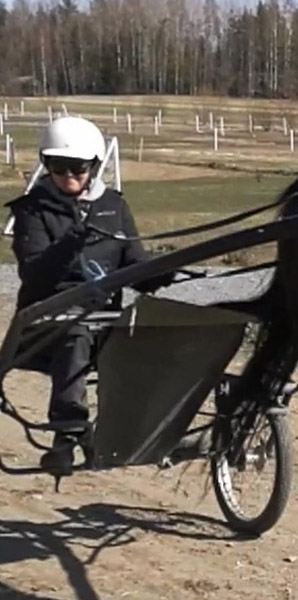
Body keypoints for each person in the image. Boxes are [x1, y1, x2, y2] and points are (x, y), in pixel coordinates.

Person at [5, 116, 174, 475]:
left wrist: (160, 273)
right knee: (76, 331)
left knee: (159, 331)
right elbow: (34, 277)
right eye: (58, 167)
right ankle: (66, 436)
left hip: (104, 317)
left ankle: (150, 428)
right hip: (47, 321)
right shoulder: (30, 212)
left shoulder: (113, 206)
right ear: (45, 165)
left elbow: (135, 264)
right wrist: (70, 243)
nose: (69, 176)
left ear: (95, 166)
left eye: (78, 168)